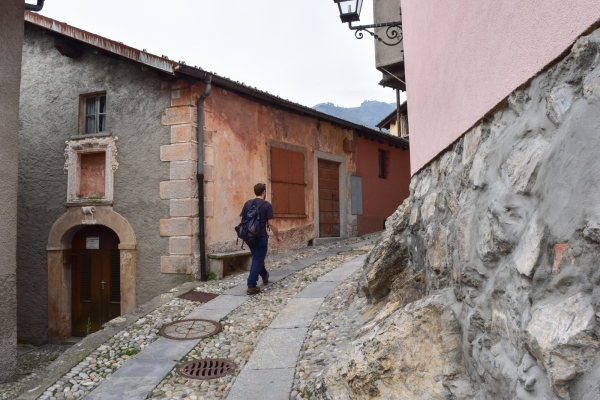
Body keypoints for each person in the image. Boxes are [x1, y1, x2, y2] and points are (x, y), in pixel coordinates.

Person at [240, 183, 282, 295]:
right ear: (264, 192)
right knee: (257, 259)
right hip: (261, 237)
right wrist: (278, 235)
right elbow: (271, 224)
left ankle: (264, 275)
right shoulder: (266, 205)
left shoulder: (247, 204)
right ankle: (251, 285)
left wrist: (245, 236)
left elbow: (242, 221)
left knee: (258, 258)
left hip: (249, 237)